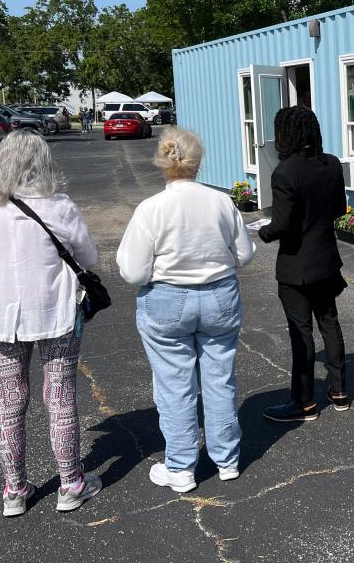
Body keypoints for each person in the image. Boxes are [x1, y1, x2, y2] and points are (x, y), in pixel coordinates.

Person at [0, 130, 101, 516]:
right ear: (43, 162)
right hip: (55, 313)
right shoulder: (59, 205)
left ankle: (14, 491)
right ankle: (71, 483)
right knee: (60, 397)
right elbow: (89, 259)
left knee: (8, 401)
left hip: (0, 318)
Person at [117, 128, 255, 492]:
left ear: (163, 162)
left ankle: (180, 467)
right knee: (219, 377)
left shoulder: (151, 209)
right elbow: (244, 254)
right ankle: (227, 459)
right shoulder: (221, 202)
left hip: (167, 297)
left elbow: (133, 271)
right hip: (219, 297)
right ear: (198, 162)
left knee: (175, 384)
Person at [258, 106, 349, 422]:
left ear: (286, 134)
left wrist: (262, 232)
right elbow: (339, 208)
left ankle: (304, 402)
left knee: (301, 333)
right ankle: (339, 392)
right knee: (329, 323)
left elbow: (282, 224)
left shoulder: (285, 172)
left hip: (296, 265)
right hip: (326, 259)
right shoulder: (332, 164)